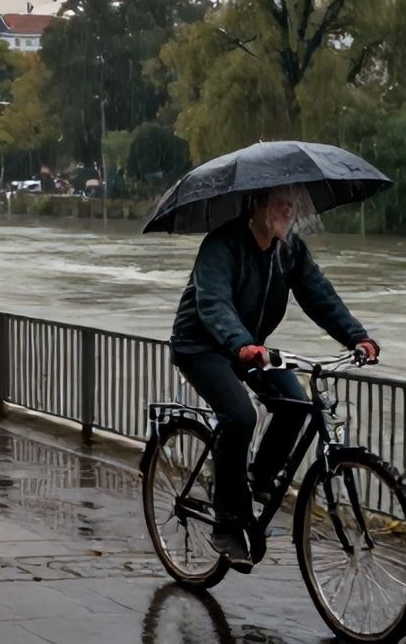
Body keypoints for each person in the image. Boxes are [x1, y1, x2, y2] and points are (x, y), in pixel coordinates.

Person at [168, 185, 379, 571]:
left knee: (295, 404)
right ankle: (228, 520)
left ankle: (258, 480)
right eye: (282, 203)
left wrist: (357, 337)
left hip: (247, 346)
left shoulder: (289, 250)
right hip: (201, 345)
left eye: (293, 204)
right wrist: (242, 344)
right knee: (240, 416)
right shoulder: (222, 245)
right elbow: (213, 302)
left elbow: (320, 296)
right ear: (258, 204)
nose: (289, 211)